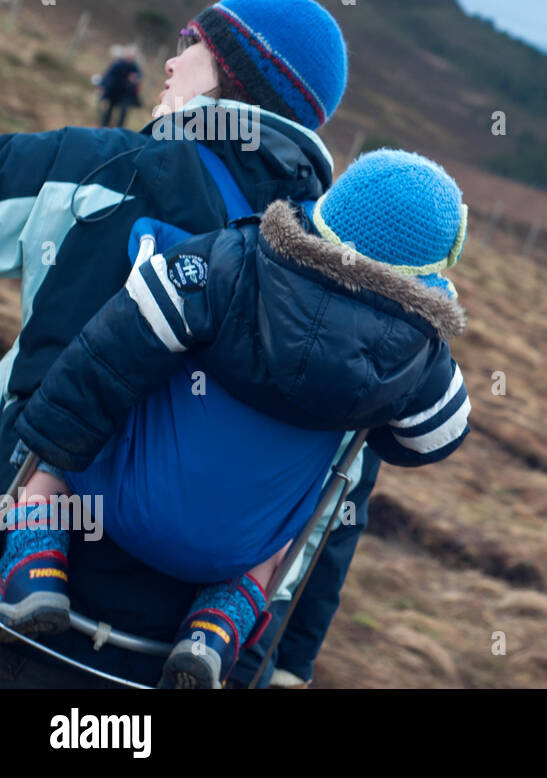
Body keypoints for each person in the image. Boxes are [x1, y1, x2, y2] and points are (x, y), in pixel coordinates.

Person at [1, 148, 471, 688]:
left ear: (326, 211)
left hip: (116, 503)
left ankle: (34, 561)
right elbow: (436, 437)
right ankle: (216, 625)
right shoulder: (418, 357)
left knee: (76, 436)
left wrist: (49, 436)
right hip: (234, 547)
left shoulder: (234, 259)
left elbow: (117, 343)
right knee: (281, 533)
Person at [0, 0, 359, 686]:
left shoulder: (105, 167)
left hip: (22, 573)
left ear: (235, 70)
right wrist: (286, 663)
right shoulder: (334, 278)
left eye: (192, 41)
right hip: (179, 651)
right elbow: (341, 495)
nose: (169, 59)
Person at [96, 46, 143, 127]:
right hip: (114, 91)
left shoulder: (134, 67)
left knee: (124, 110)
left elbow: (139, 76)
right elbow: (108, 75)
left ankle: (119, 127)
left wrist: (135, 78)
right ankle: (104, 125)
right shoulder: (117, 64)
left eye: (132, 57)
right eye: (128, 56)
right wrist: (102, 86)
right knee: (109, 108)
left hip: (125, 94)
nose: (130, 58)